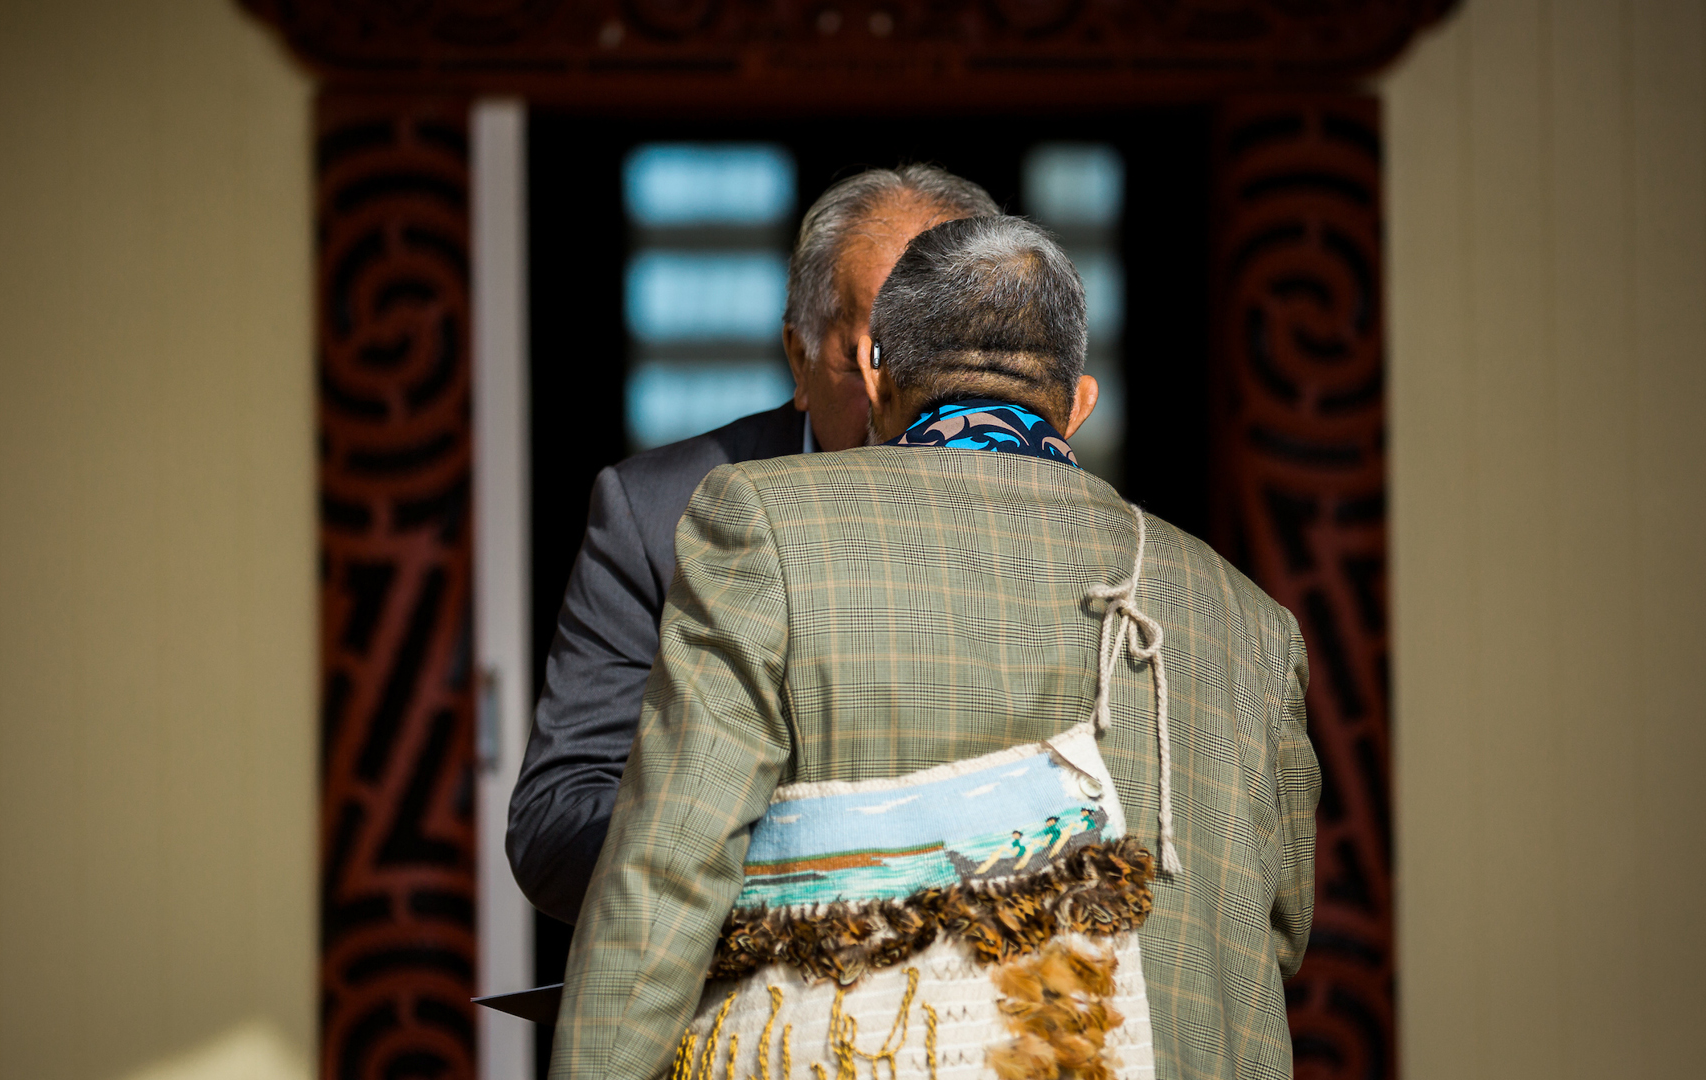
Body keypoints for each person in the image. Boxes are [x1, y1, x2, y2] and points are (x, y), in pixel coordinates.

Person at [551, 215, 1321, 1080]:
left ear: (877, 373)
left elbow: (666, 882)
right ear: (1078, 401)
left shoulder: (765, 528)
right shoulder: (1251, 619)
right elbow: (1280, 928)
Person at [507, 165, 1002, 923]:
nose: (913, 395)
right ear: (799, 355)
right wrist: (802, 872)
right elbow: (557, 820)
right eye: (874, 355)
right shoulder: (657, 514)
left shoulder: (1056, 519)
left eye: (945, 353)